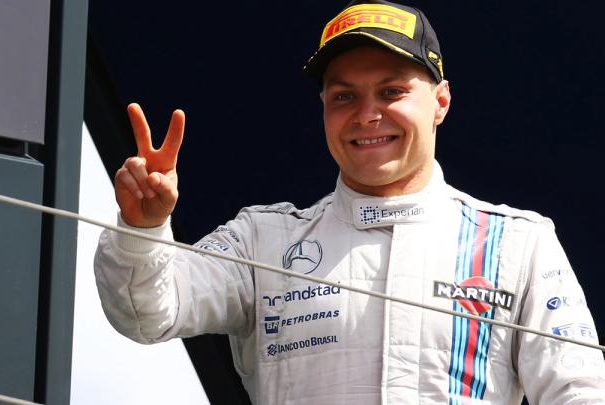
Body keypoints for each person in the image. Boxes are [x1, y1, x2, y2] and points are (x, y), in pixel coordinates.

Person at [94, 0, 605, 403]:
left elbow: (579, 392)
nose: (367, 114)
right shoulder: (264, 239)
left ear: (441, 103)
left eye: (391, 92)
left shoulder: (518, 243)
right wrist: (142, 228)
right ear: (323, 107)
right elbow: (147, 313)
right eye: (344, 96)